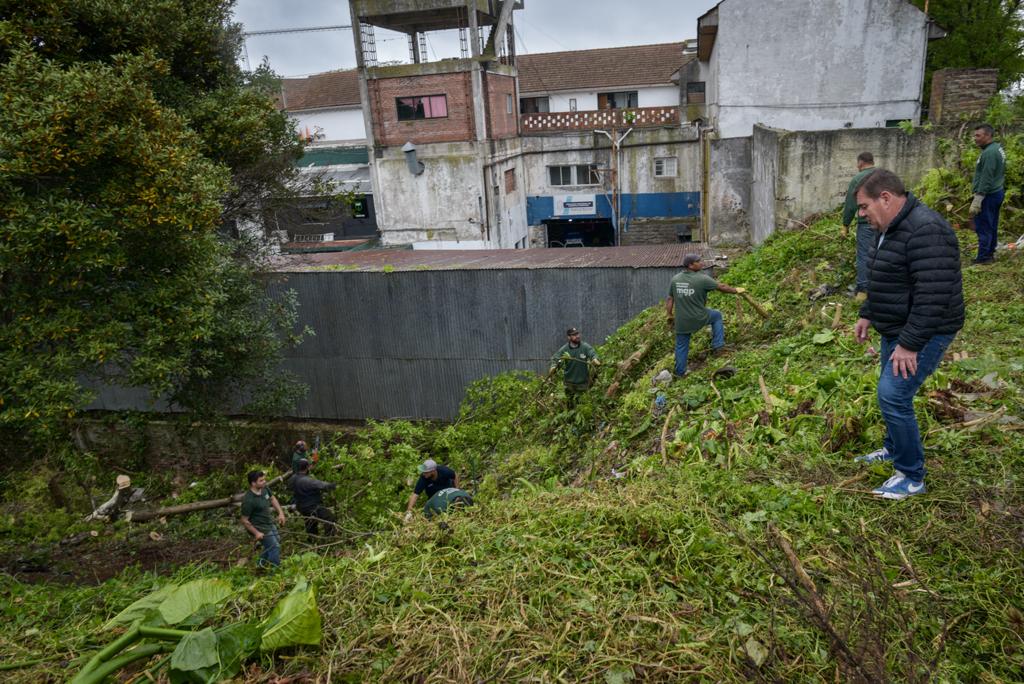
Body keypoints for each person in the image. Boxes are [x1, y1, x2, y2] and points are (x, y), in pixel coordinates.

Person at [852, 168, 964, 500]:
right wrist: (868, 312)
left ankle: (911, 475)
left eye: (863, 206)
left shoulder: (926, 230)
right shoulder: (889, 228)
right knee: (891, 394)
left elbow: (934, 294)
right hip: (897, 328)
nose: (861, 214)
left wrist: (910, 345)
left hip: (925, 331)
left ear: (885, 198)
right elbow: (885, 276)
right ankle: (893, 448)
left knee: (893, 395)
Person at [665, 254, 744, 378]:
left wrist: (669, 315)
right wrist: (736, 290)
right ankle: (718, 346)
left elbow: (670, 299)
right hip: (699, 317)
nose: (701, 263)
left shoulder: (675, 279)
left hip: (682, 321)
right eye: (698, 261)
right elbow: (721, 287)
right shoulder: (702, 279)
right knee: (717, 316)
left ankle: (680, 373)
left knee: (681, 346)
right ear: (691, 265)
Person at [969, 123, 1005, 264]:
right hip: (996, 192)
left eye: (978, 135)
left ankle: (983, 258)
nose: (975, 138)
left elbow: (987, 176)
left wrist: (978, 199)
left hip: (988, 195)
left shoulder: (990, 153)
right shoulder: (996, 148)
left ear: (988, 136)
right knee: (991, 225)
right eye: (975, 135)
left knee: (983, 226)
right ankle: (989, 254)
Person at [842, 151, 876, 294]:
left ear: (861, 163)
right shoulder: (884, 176)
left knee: (864, 254)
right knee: (881, 253)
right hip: (886, 221)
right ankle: (878, 286)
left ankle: (862, 290)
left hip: (867, 223)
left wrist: (845, 224)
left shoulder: (858, 178)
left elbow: (851, 204)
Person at [240, 470, 287, 567]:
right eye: (261, 480)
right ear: (253, 483)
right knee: (274, 547)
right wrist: (256, 533)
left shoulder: (265, 488)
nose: (264, 482)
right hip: (259, 527)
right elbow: (244, 520)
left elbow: (272, 499)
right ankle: (275, 571)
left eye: (264, 479)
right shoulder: (248, 500)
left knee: (276, 540)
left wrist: (281, 513)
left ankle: (260, 564)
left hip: (268, 522)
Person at [548, 327, 600, 402]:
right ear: (569, 337)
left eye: (577, 334)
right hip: (569, 384)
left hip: (583, 383)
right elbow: (555, 358)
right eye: (574, 335)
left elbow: (592, 353)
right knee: (570, 405)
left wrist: (595, 359)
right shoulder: (565, 349)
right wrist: (553, 367)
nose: (577, 336)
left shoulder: (584, 347)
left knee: (583, 405)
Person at [291, 459, 338, 540]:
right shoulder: (306, 480)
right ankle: (329, 539)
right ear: (307, 467)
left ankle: (312, 540)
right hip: (311, 506)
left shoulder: (293, 478)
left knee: (311, 522)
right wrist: (332, 485)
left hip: (301, 506)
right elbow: (321, 485)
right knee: (329, 517)